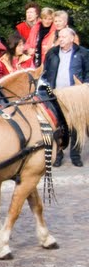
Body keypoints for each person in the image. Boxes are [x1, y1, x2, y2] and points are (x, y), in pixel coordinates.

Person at [41, 27, 89, 166]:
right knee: (57, 125)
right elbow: (45, 71)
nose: (60, 39)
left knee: (76, 126)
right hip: (56, 94)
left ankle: (75, 156)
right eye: (59, 36)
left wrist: (85, 86)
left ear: (72, 38)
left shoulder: (83, 53)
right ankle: (58, 155)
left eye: (63, 36)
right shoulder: (52, 53)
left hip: (75, 95)